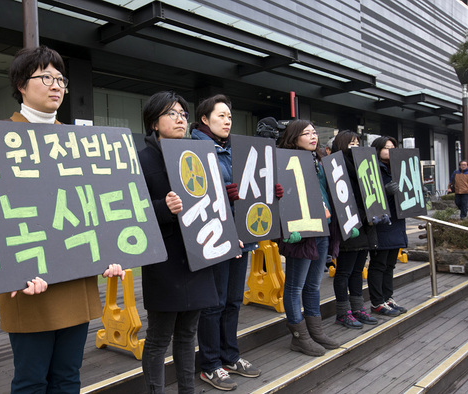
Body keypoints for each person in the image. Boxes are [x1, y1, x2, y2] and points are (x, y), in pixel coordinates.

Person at [0, 45, 125, 394]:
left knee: (69, 376)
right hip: (29, 282)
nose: (56, 85)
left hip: (75, 275)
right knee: (31, 380)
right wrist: (11, 270)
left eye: (60, 79)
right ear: (22, 85)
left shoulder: (77, 142)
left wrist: (108, 251)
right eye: (45, 77)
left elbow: (94, 206)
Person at [190, 96, 284, 391]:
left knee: (232, 301)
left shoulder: (237, 150)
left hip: (242, 239)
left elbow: (251, 187)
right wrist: (220, 193)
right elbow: (194, 193)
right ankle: (210, 364)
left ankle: (230, 356)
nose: (228, 120)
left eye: (230, 115)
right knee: (214, 304)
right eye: (221, 115)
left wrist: (269, 191)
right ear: (205, 119)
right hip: (215, 239)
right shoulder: (194, 149)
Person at [138, 91, 219, 394]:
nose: (180, 118)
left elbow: (213, 203)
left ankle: (188, 389)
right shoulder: (143, 159)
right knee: (159, 337)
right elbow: (132, 211)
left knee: (188, 334)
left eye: (183, 113)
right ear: (154, 123)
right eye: (171, 113)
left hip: (198, 254)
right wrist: (162, 208)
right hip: (165, 262)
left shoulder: (198, 153)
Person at [277, 119, 340, 357]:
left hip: (323, 228)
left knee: (313, 285)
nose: (313, 136)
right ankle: (299, 337)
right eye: (307, 133)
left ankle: (316, 331)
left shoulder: (320, 161)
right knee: (295, 286)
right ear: (294, 138)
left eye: (314, 132)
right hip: (301, 232)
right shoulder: (283, 161)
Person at [331, 131, 378, 329]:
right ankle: (343, 312)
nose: (355, 146)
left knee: (358, 269)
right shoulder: (336, 166)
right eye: (351, 143)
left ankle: (358, 308)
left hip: (365, 225)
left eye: (358, 142)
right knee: (344, 271)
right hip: (348, 225)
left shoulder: (364, 164)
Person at [368, 136, 407, 317]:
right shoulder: (372, 168)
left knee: (390, 264)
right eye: (386, 147)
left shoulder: (398, 167)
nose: (390, 150)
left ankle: (387, 297)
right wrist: (385, 191)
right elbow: (368, 194)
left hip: (397, 222)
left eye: (393, 147)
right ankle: (377, 302)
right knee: (379, 264)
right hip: (382, 223)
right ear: (377, 149)